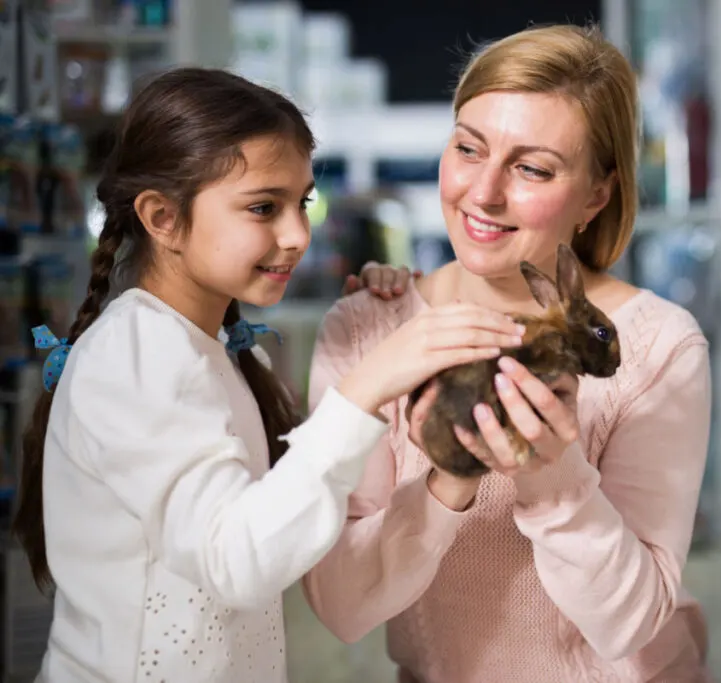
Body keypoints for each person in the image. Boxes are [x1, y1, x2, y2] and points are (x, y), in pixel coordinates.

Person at [12, 67, 525, 683]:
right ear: (162, 218)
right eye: (263, 207)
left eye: (301, 203)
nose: (296, 234)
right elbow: (239, 562)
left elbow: (278, 530)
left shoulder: (221, 348)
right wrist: (365, 386)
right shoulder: (136, 349)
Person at [304, 23, 713, 683]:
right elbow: (342, 608)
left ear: (597, 195)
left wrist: (552, 474)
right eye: (469, 148)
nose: (484, 192)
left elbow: (630, 624)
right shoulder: (366, 330)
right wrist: (451, 475)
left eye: (531, 167)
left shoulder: (660, 345)